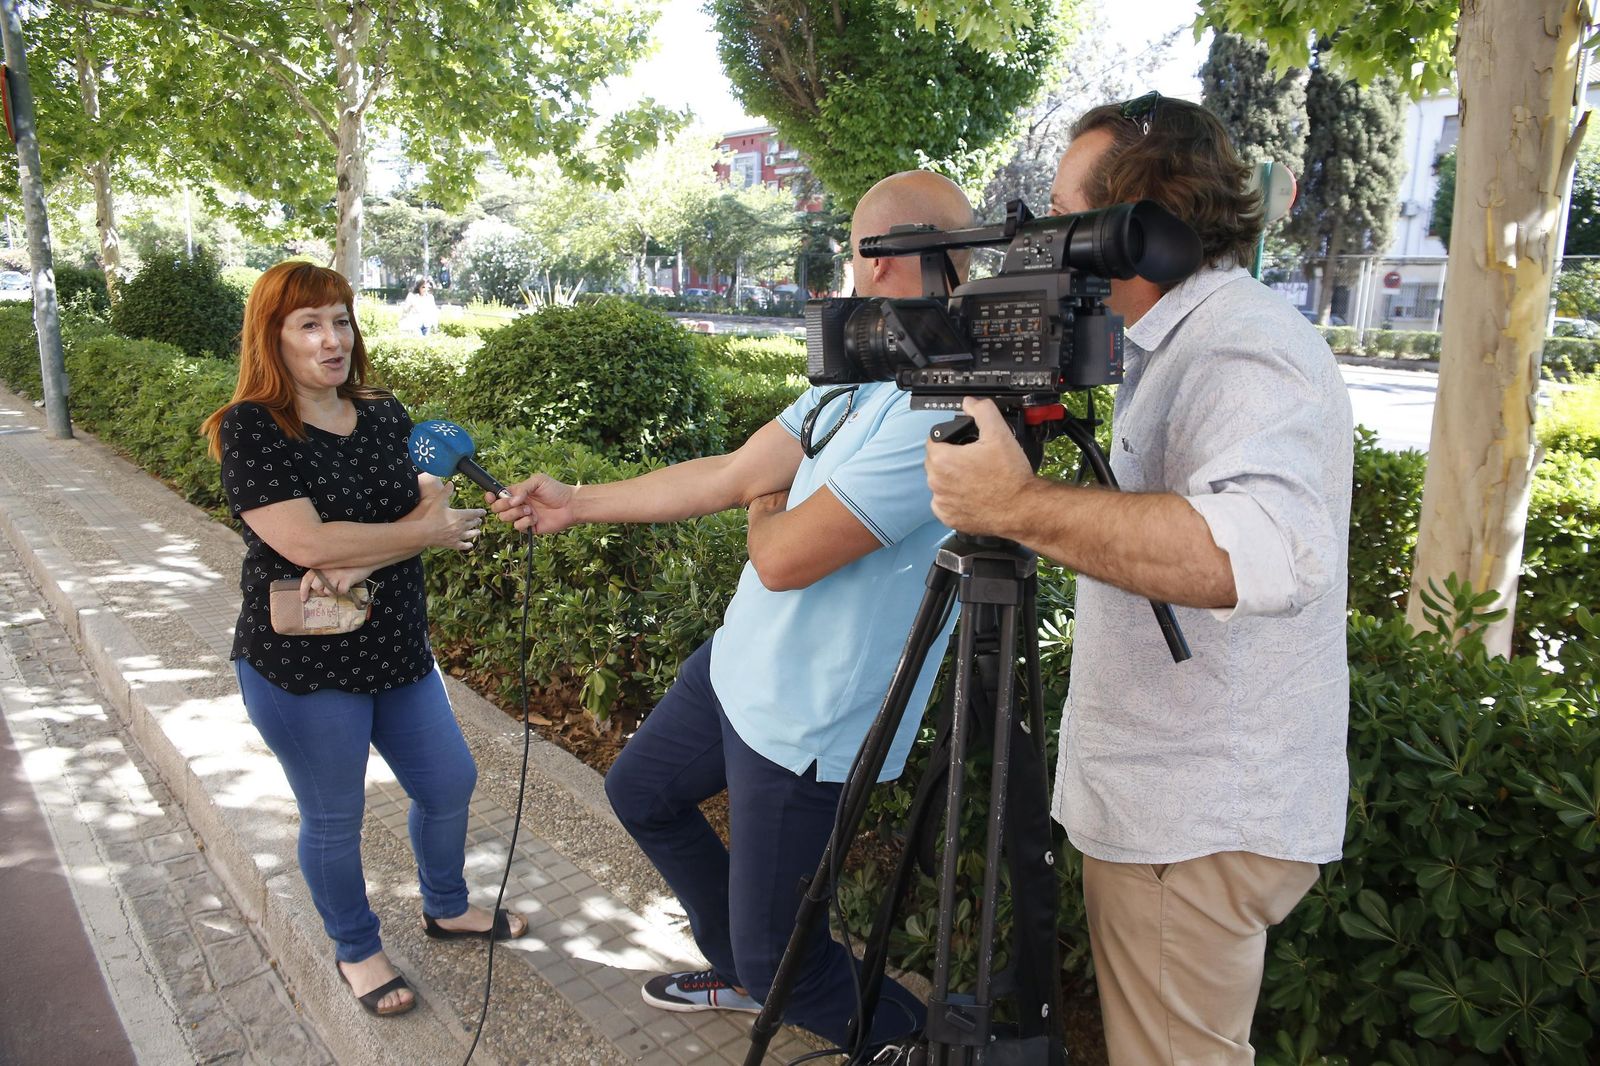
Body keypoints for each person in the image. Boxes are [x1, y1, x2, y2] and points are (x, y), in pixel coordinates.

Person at [488, 171, 974, 1050]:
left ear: (911, 260)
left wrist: (764, 504)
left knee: (794, 964)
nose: (858, 280)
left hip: (806, 722)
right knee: (641, 791)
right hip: (734, 671)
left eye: (869, 257)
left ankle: (924, 1044)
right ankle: (751, 977)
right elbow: (730, 470)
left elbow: (781, 554)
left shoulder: (943, 410)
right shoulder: (856, 377)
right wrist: (575, 500)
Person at [923, 93, 1354, 1065]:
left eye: (1063, 212)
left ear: (1143, 225)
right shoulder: (1175, 344)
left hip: (1191, 819)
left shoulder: (1237, 343)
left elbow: (1263, 546)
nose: (1041, 238)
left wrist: (1018, 507)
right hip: (1175, 806)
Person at [200, 262, 527, 1018]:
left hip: (397, 651)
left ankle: (446, 908)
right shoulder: (252, 426)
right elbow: (313, 543)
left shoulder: (383, 411)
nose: (331, 338)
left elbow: (427, 504)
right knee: (335, 817)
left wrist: (358, 553)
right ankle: (356, 948)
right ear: (272, 338)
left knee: (448, 783)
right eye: (309, 324)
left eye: (341, 319)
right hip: (302, 665)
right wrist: (367, 547)